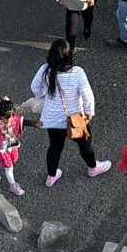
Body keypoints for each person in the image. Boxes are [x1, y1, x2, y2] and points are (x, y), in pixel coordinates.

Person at [31, 39, 111, 188]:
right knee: (85, 144)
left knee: (55, 147)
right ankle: (93, 168)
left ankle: (51, 176)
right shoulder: (77, 73)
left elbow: (34, 87)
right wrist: (89, 113)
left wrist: (44, 94)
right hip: (74, 119)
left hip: (52, 119)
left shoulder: (45, 70)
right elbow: (88, 96)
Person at [0, 97, 40, 196]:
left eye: (9, 118)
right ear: (0, 115)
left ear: (13, 114)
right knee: (9, 166)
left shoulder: (14, 117)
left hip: (11, 145)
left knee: (9, 159)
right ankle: (13, 185)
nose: (7, 121)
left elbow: (21, 121)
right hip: (1, 149)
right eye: (4, 119)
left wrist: (34, 124)